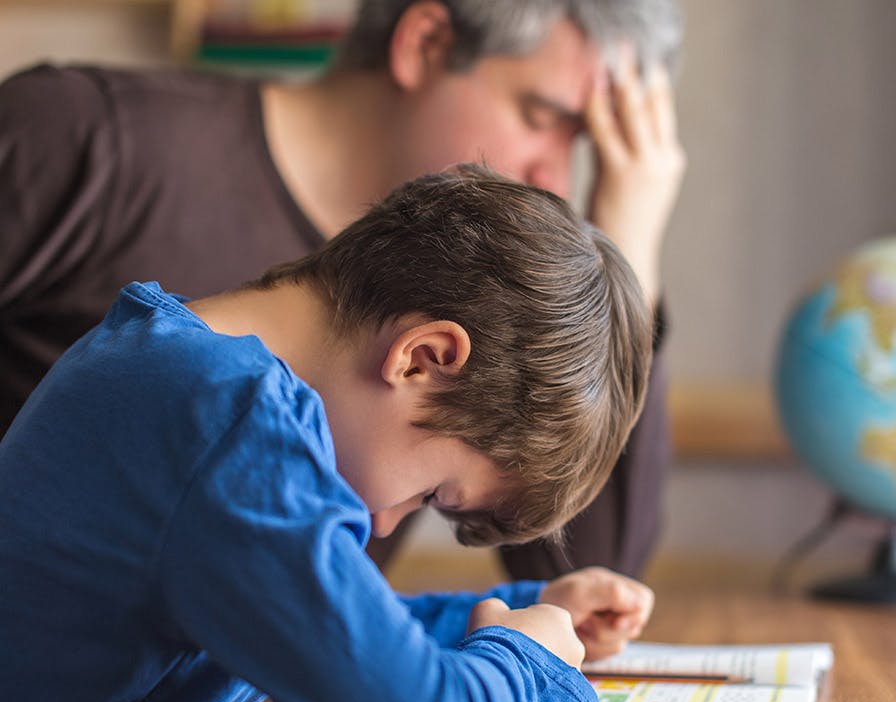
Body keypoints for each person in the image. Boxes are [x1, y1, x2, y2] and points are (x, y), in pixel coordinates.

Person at [0, 167, 655, 702]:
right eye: (431, 493)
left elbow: (327, 625)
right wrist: (529, 665)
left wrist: (523, 613)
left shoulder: (176, 370)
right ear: (423, 359)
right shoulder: (228, 423)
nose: (384, 521)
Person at [0, 0, 685, 580]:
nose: (556, 177)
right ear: (426, 43)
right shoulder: (79, 138)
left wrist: (626, 254)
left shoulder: (473, 296)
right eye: (541, 117)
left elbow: (584, 579)